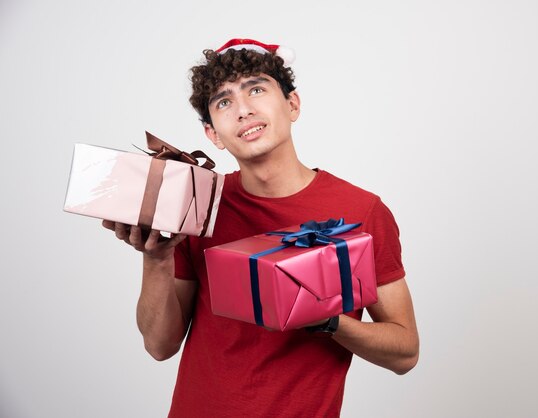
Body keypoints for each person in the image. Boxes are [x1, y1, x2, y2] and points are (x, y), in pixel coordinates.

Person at [103, 38, 419, 417]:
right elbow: (159, 346)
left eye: (256, 89)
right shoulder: (200, 205)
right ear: (213, 135)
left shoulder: (361, 210)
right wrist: (156, 258)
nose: (243, 110)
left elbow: (405, 352)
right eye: (224, 102)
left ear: (292, 105)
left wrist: (328, 320)